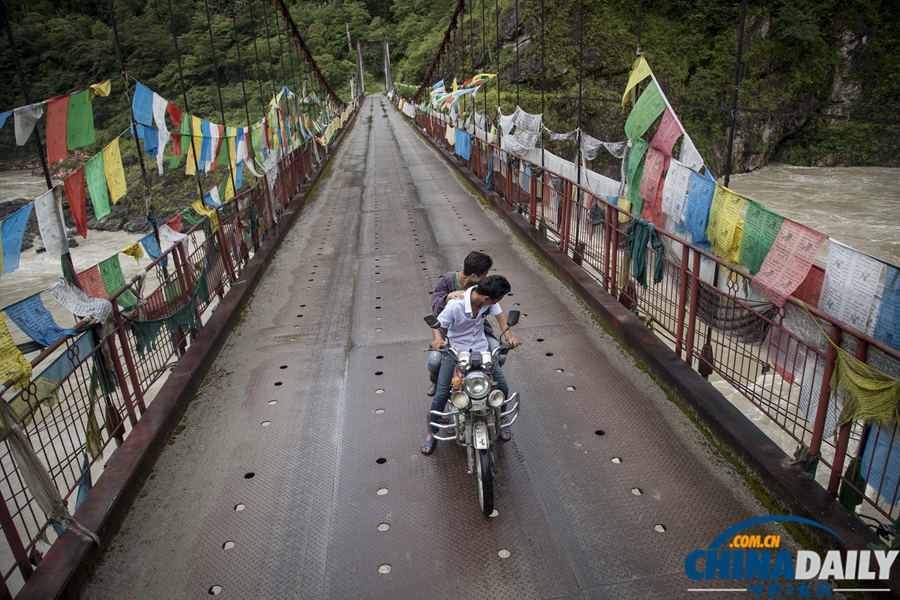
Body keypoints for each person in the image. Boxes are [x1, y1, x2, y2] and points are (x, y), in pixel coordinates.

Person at [421, 275, 519, 455]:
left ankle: (502, 423)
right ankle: (431, 434)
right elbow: (438, 324)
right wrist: (438, 340)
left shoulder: (488, 302)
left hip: (481, 350)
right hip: (455, 352)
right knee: (442, 392)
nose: (498, 302)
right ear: (487, 298)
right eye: (499, 298)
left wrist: (509, 337)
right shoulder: (456, 305)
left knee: (502, 387)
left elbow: (501, 318)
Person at [427, 251, 505, 397]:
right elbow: (435, 310)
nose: (485, 278)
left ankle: (486, 377)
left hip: (477, 330)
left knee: (500, 355)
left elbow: (495, 309)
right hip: (450, 331)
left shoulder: (480, 285)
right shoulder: (445, 281)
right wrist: (446, 298)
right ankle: (436, 380)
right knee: (434, 362)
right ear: (474, 276)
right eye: (484, 274)